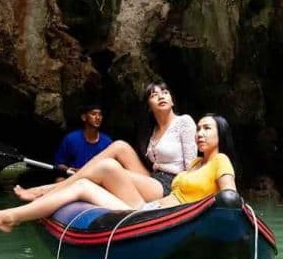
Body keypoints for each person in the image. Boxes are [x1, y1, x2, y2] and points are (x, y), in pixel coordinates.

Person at [0, 115, 236, 233]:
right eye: (198, 128)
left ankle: (9, 217)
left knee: (100, 174)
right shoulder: (193, 166)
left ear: (220, 134)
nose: (199, 133)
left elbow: (229, 194)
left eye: (207, 129)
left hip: (167, 217)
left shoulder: (220, 160)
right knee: (83, 184)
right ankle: (12, 218)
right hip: (149, 209)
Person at [13, 82, 196, 203]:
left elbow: (191, 167)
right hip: (153, 177)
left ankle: (45, 191)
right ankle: (53, 188)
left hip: (171, 184)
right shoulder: (152, 130)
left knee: (109, 170)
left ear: (172, 100)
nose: (161, 96)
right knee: (119, 146)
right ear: (148, 105)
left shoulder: (184, 122)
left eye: (165, 92)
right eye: (154, 94)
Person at [54, 104, 112, 172]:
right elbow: (59, 164)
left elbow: (111, 168)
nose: (98, 117)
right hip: (73, 176)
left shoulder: (107, 142)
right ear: (84, 117)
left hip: (95, 179)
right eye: (93, 114)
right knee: (59, 180)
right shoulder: (71, 139)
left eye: (100, 114)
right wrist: (69, 170)